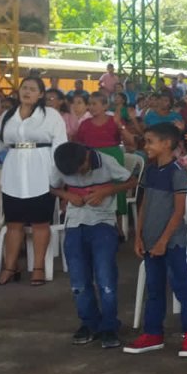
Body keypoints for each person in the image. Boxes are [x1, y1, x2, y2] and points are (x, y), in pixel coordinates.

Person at [0, 77, 68, 287]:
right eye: (24, 88)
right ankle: (10, 268)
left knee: (40, 223)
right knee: (14, 223)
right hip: (14, 173)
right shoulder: (9, 115)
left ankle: (38, 268)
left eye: (32, 89)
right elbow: (0, 144)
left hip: (41, 171)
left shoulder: (51, 115)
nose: (27, 92)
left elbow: (60, 146)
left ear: (41, 94)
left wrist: (56, 177)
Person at [125, 122, 187, 357]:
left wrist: (163, 241)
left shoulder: (177, 173)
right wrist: (138, 236)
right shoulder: (149, 171)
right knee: (154, 287)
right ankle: (153, 333)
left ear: (167, 144)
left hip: (172, 242)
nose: (145, 146)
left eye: (150, 141)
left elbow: (178, 212)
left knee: (181, 285)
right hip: (149, 240)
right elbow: (145, 203)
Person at [50, 142, 136, 348]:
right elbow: (52, 187)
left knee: (105, 278)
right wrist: (67, 195)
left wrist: (106, 192)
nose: (79, 174)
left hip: (103, 223)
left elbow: (131, 181)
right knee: (78, 281)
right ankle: (88, 322)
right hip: (74, 223)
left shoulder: (106, 161)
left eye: (80, 169)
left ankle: (109, 325)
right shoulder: (63, 164)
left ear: (87, 157)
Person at [76, 93, 131, 236]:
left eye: (95, 104)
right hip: (92, 159)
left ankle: (117, 227)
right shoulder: (85, 124)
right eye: (89, 104)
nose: (91, 107)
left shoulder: (114, 121)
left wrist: (120, 125)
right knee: (94, 189)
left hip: (113, 157)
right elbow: (79, 144)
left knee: (116, 190)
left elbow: (131, 142)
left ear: (105, 106)